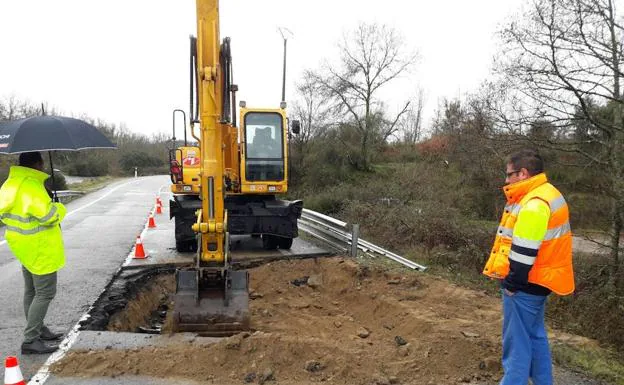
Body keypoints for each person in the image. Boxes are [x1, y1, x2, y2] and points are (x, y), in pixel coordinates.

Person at [483, 149, 575, 385]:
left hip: (526, 283)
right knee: (535, 337)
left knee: (516, 345)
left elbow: (524, 250)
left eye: (509, 174)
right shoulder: (548, 193)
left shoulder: (533, 203)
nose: (506, 181)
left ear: (522, 173)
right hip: (540, 281)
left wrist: (513, 283)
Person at [0, 151, 66, 354]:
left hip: (23, 245)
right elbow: (48, 216)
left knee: (31, 290)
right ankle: (30, 339)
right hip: (40, 246)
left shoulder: (10, 184)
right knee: (45, 292)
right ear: (37, 164)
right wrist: (59, 207)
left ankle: (38, 328)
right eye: (42, 163)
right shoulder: (31, 186)